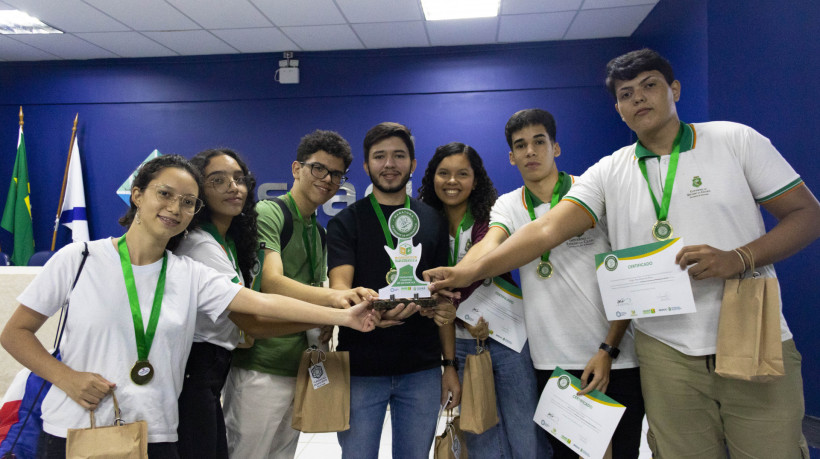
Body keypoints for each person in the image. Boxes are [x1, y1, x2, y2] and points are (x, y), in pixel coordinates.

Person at [425, 49, 820, 457]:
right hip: (663, 348)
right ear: (618, 108)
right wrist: (463, 273)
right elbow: (544, 230)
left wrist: (738, 258)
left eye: (650, 85)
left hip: (746, 330)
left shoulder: (734, 140)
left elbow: (807, 215)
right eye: (627, 93)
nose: (639, 99)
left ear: (675, 89)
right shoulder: (609, 172)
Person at [0, 154, 376, 458]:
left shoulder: (190, 274)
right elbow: (15, 333)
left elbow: (261, 302)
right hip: (77, 428)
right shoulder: (78, 258)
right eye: (164, 194)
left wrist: (342, 316)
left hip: (158, 432)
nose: (174, 208)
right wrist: (66, 377)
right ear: (137, 194)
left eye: (187, 202)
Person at [453, 109, 643, 457]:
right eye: (520, 145)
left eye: (539, 142)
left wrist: (609, 348)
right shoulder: (509, 205)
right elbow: (490, 243)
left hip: (614, 358)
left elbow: (625, 280)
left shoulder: (592, 193)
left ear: (555, 147)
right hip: (551, 365)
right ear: (511, 157)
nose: (530, 152)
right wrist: (458, 273)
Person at [223, 130, 375, 459]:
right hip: (260, 368)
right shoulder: (270, 212)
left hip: (300, 367)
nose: (327, 179)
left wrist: (327, 321)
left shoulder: (318, 231)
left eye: (336, 174)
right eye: (318, 168)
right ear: (297, 169)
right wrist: (336, 300)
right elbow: (272, 282)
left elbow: (311, 291)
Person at [327, 122, 459, 458]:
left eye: (399, 155)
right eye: (380, 156)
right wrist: (368, 311)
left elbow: (443, 299)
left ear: (413, 165)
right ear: (367, 164)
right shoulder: (346, 222)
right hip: (361, 366)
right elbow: (340, 289)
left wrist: (449, 365)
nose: (390, 164)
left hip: (422, 368)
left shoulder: (433, 220)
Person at [418, 141, 548, 458]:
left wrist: (449, 287)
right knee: (481, 434)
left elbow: (483, 261)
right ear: (432, 177)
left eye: (462, 174)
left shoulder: (494, 217)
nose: (452, 181)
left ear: (475, 180)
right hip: (460, 343)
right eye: (444, 173)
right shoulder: (421, 226)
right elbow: (433, 300)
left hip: (509, 337)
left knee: (525, 431)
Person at [172, 147, 261, 458]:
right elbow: (251, 320)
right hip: (195, 372)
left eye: (239, 179)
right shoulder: (200, 244)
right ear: (198, 190)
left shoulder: (226, 242)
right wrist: (332, 314)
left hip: (209, 374)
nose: (233, 187)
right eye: (218, 180)